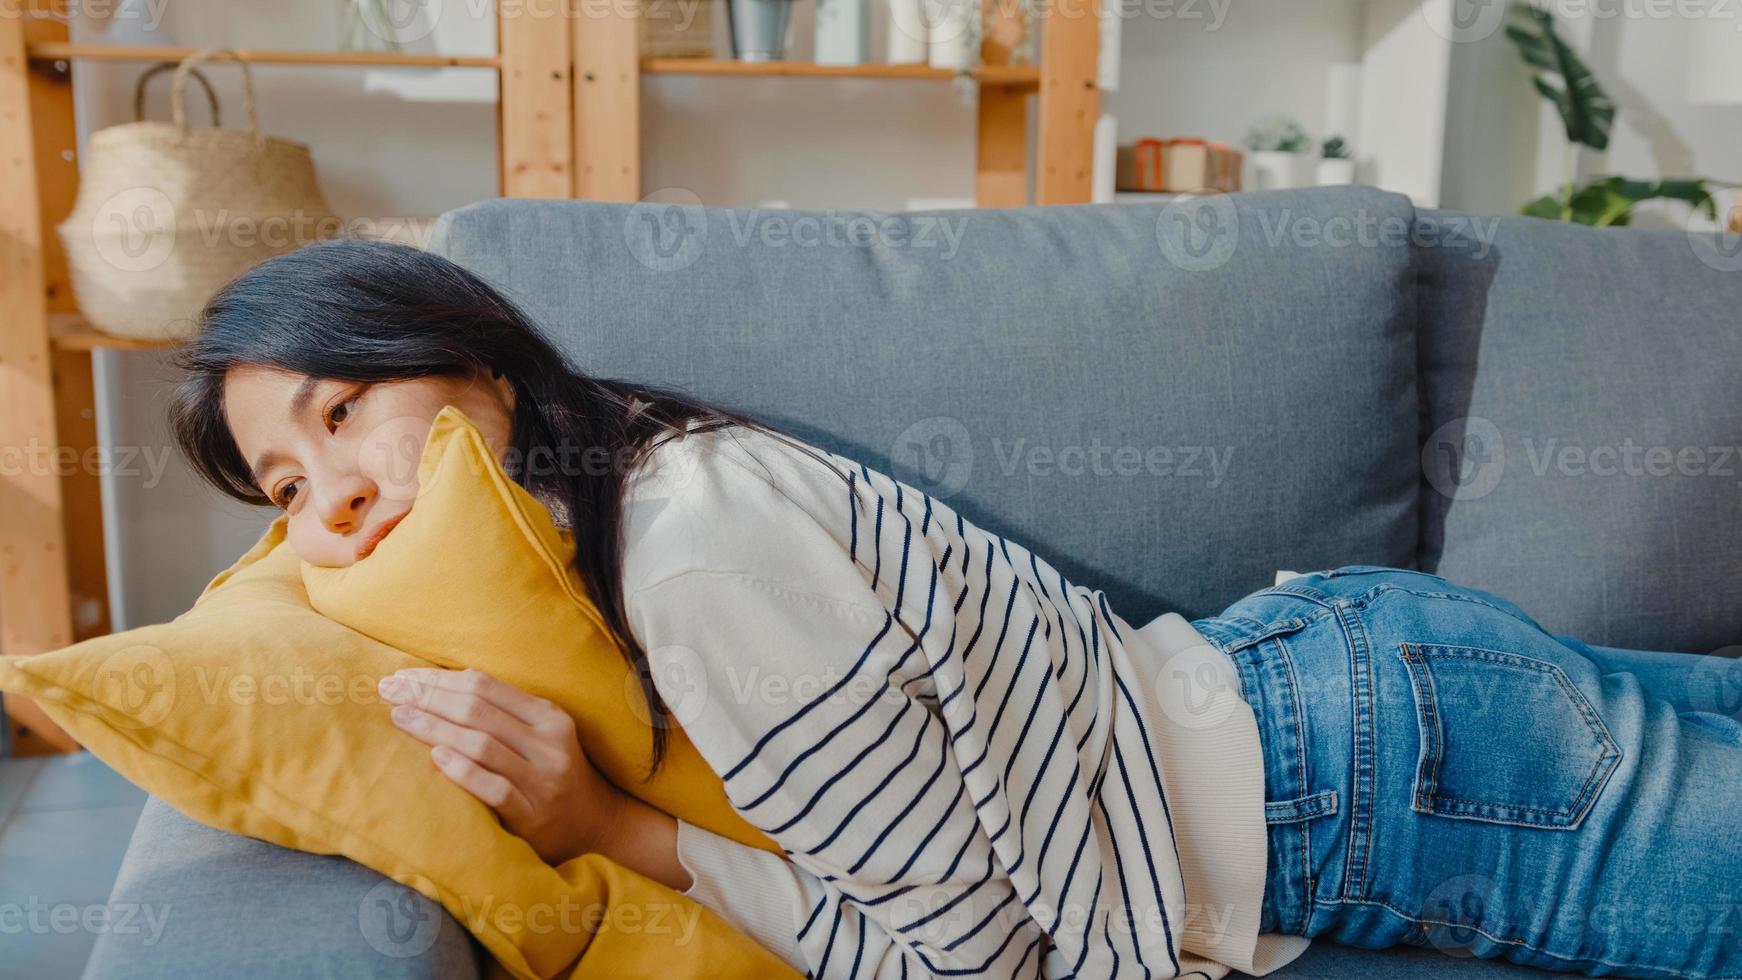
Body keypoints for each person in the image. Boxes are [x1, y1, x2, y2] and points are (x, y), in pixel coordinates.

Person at [169, 238, 1742, 980]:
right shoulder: (634, 490)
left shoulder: (690, 554)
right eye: (284, 487)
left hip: (1375, 776)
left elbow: (972, 960)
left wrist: (608, 828)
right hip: (1336, 684)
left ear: (481, 371)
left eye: (342, 410)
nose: (337, 494)